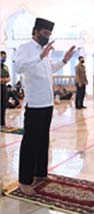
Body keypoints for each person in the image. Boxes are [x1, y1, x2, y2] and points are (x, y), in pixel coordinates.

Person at [14, 17, 75, 195]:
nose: (47, 37)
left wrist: (64, 60)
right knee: (30, 142)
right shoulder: (26, 48)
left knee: (43, 140)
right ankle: (24, 181)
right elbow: (18, 67)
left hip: (47, 103)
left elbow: (50, 69)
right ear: (36, 31)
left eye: (49, 34)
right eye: (45, 33)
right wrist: (39, 56)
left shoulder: (44, 50)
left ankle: (40, 173)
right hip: (34, 104)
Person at [1, 51, 11, 127]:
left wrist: (3, 80)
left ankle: (2, 123)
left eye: (5, 57)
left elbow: (9, 78)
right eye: (2, 57)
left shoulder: (5, 67)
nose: (4, 59)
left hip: (4, 87)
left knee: (3, 105)